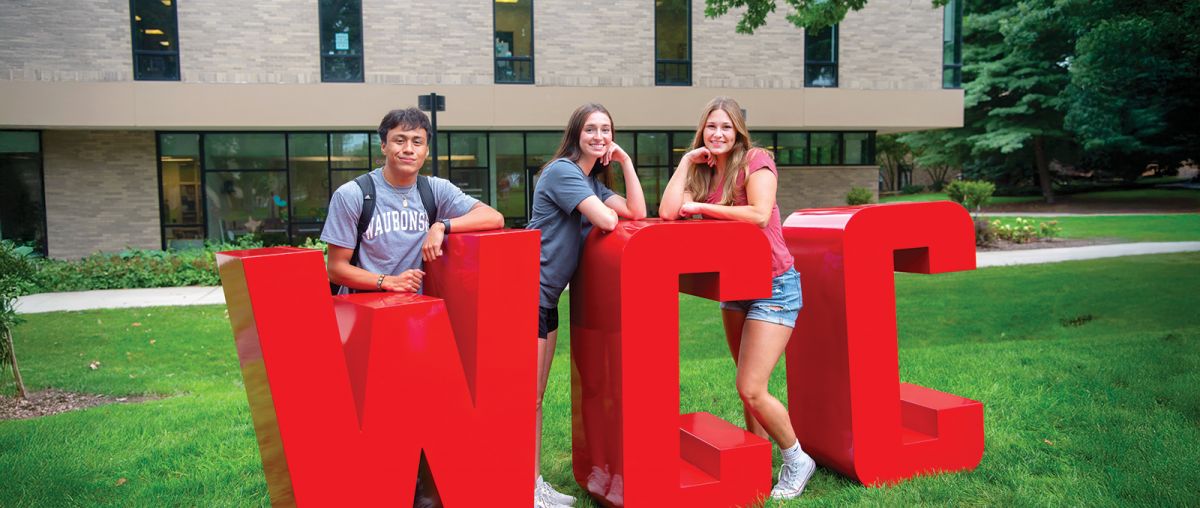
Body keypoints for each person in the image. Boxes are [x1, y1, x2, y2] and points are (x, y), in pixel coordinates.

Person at [658, 97, 816, 500]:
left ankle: (797, 459)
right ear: (702, 131)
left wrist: (701, 209)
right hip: (735, 289)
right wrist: (684, 164)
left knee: (751, 387)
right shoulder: (704, 170)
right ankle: (755, 464)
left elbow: (760, 214)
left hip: (774, 287)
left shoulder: (756, 160)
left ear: (738, 131)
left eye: (726, 127)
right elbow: (667, 212)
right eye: (711, 127)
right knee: (748, 388)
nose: (718, 134)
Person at [526, 103, 647, 508]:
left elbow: (637, 212)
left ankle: (531, 483)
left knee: (536, 398)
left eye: (606, 130)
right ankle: (525, 487)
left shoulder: (589, 181)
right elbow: (609, 221)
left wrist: (626, 160)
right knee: (527, 397)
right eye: (591, 129)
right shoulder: (563, 172)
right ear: (576, 133)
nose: (599, 136)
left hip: (545, 299)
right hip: (526, 293)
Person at [322, 107, 504, 294]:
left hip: (416, 312)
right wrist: (387, 281)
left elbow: (493, 217)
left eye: (417, 142)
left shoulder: (436, 190)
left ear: (426, 151)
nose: (408, 149)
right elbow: (335, 269)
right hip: (367, 312)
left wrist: (441, 226)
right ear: (383, 146)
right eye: (399, 141)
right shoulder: (353, 194)